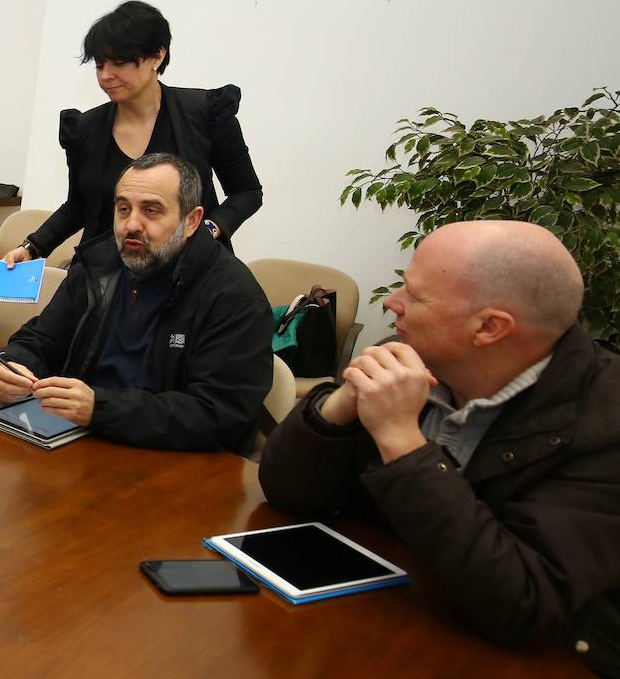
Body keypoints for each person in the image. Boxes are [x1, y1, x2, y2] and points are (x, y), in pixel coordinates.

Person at [258, 221, 619, 674]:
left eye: (415, 295)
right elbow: (286, 491)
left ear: (489, 327)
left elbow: (517, 603)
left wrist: (401, 441)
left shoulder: (605, 425)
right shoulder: (412, 355)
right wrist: (338, 407)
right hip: (385, 616)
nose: (392, 304)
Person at [0, 153, 271, 453]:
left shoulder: (234, 297)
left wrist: (100, 408)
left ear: (191, 221)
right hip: (76, 443)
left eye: (151, 210)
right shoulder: (97, 265)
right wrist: (9, 368)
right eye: (123, 209)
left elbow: (222, 417)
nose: (131, 224)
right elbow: (39, 340)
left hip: (174, 465)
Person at [5, 0, 261, 268]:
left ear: (157, 56)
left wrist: (210, 228)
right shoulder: (85, 129)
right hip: (107, 276)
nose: (106, 75)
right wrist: (32, 247)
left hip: (189, 273)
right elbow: (79, 205)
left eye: (119, 63)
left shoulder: (205, 114)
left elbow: (247, 191)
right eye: (99, 65)